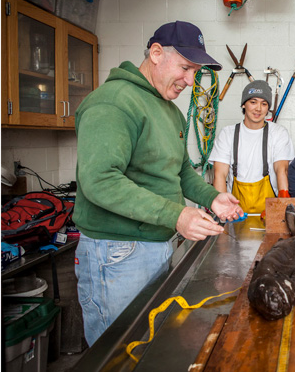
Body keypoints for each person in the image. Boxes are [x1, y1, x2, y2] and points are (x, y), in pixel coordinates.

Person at [74, 20, 244, 345]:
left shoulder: (170, 112)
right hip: (117, 253)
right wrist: (177, 216)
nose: (190, 80)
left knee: (146, 348)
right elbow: (99, 181)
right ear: (155, 53)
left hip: (157, 246)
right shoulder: (114, 102)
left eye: (196, 71)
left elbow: (180, 174)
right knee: (120, 353)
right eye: (185, 68)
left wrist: (213, 197)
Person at [210, 80, 294, 214]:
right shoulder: (227, 134)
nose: (258, 108)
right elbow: (219, 174)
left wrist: (283, 197)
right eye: (253, 102)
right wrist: (224, 209)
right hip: (235, 212)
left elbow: (281, 170)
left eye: (264, 104)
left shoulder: (278, 133)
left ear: (268, 108)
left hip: (270, 213)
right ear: (244, 104)